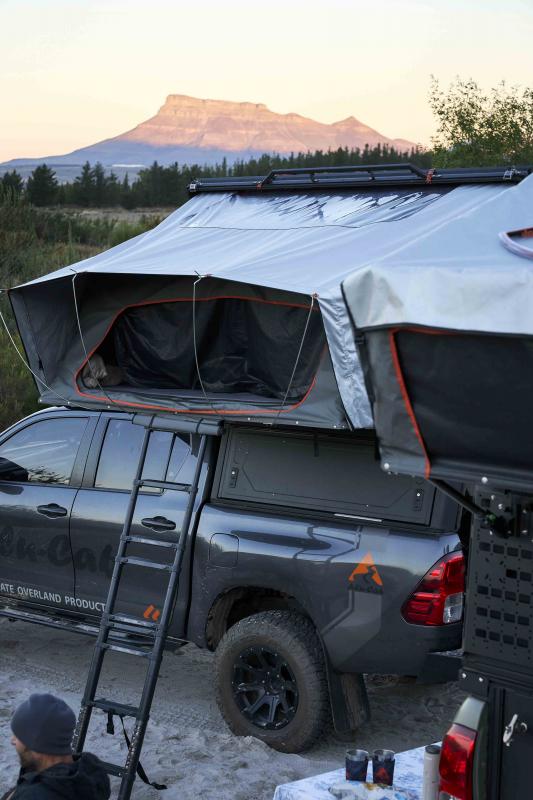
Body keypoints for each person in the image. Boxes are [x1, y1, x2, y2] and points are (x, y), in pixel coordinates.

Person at [1, 693, 110, 800]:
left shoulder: (35, 795)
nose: (13, 741)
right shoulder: (88, 777)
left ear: (37, 742)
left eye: (18, 736)